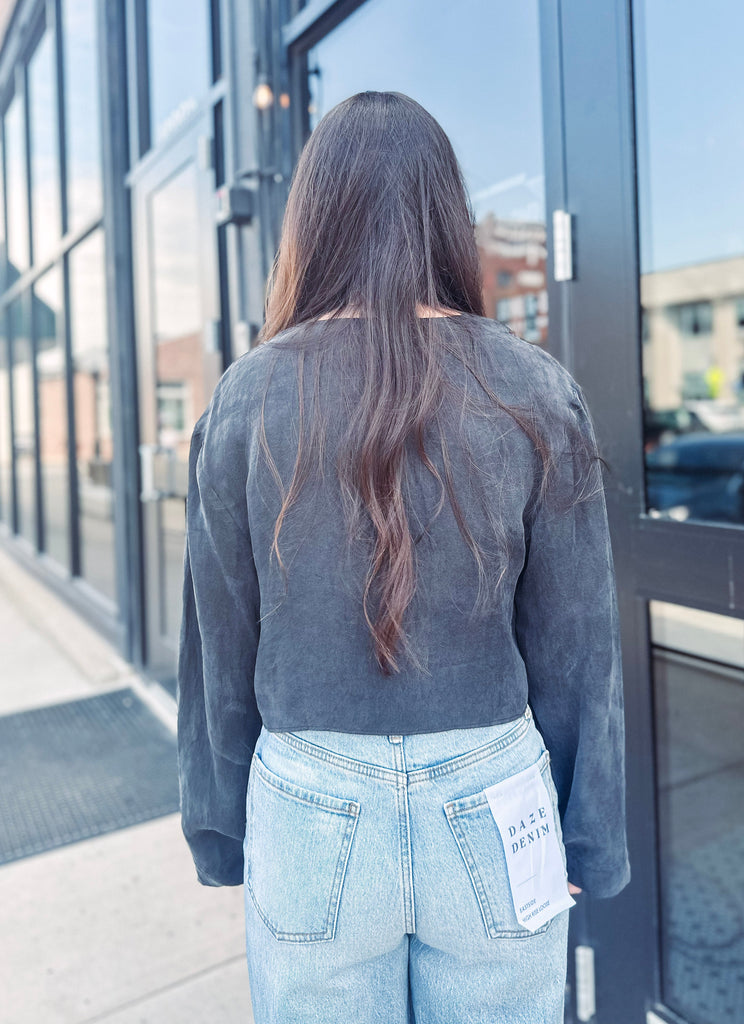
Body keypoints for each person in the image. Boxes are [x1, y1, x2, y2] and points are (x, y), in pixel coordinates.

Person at [177, 90, 631, 1024]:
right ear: (444, 216)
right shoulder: (537, 389)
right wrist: (588, 839)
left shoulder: (246, 399)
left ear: (313, 218)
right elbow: (580, 648)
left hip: (309, 803)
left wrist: (221, 828)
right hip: (494, 793)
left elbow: (218, 647)